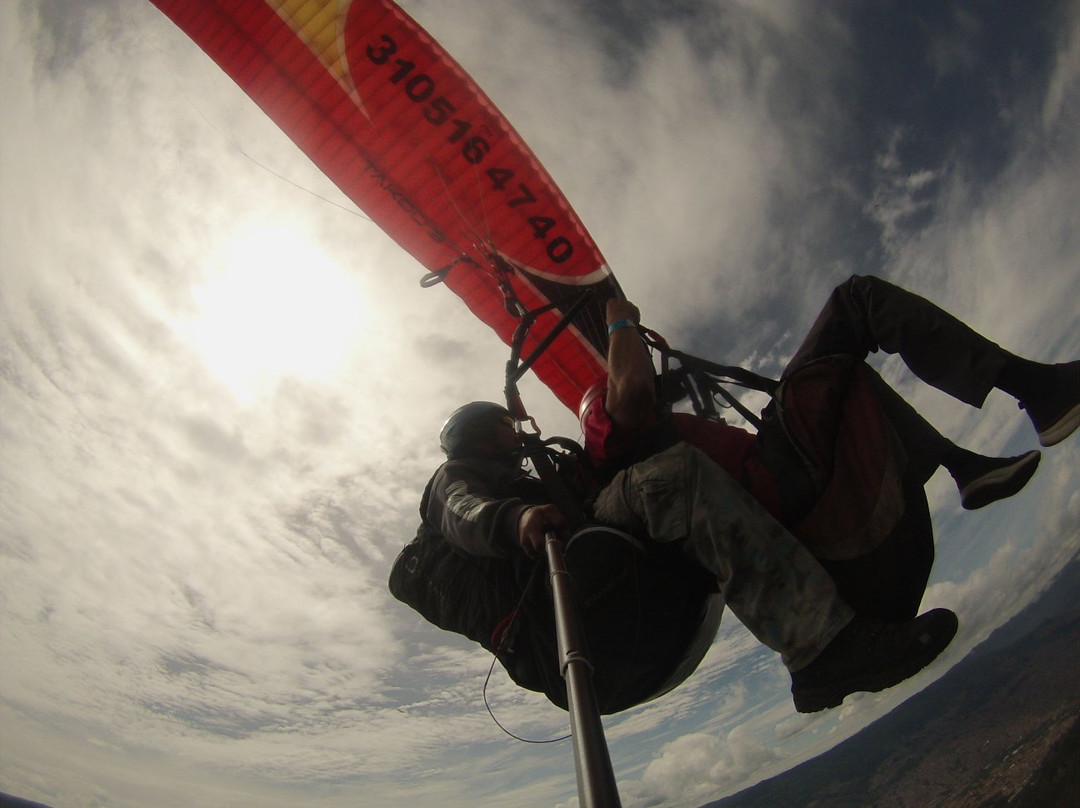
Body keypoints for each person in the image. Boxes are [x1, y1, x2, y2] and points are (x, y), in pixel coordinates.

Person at [581, 275, 1079, 624]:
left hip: (778, 479)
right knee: (856, 300)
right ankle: (1036, 388)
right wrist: (619, 320)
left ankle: (963, 465)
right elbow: (629, 394)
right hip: (779, 475)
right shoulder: (608, 435)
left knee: (845, 373)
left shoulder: (656, 443)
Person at [410, 399, 959, 716]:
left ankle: (835, 611)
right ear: (484, 433)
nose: (517, 431)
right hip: (562, 605)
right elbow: (463, 511)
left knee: (680, 480)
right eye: (507, 426)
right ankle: (822, 648)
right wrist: (516, 518)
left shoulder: (530, 477)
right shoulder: (458, 479)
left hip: (597, 581)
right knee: (671, 479)